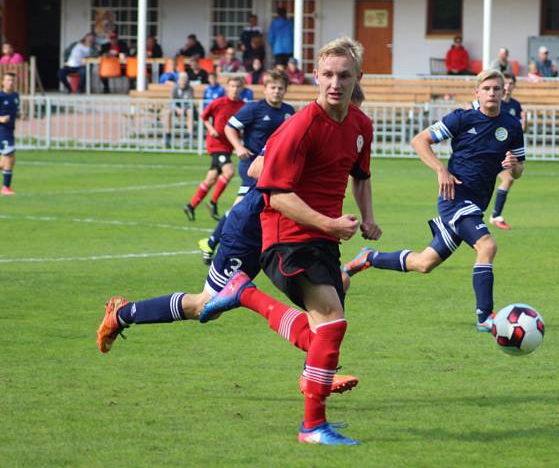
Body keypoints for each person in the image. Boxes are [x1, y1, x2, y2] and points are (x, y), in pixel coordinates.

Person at [200, 36, 379, 446]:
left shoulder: (360, 126)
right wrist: (330, 224)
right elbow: (275, 193)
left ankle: (244, 294)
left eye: (344, 75)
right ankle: (312, 427)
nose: (335, 83)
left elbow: (362, 176)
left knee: (323, 331)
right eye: (328, 75)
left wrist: (367, 217)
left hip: (321, 239)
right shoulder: (299, 126)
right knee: (332, 320)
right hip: (286, 236)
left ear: (357, 78)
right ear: (316, 76)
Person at [95, 159, 360, 395]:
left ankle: (315, 373)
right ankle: (122, 314)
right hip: (250, 232)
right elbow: (257, 167)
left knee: (332, 291)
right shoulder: (300, 129)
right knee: (204, 306)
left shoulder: (345, 134)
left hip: (286, 232)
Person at [344, 69, 525, 332]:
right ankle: (485, 317)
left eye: (497, 89)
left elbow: (519, 171)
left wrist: (514, 165)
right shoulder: (462, 118)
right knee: (487, 246)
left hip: (476, 205)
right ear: (477, 92)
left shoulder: (511, 126)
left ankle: (368, 258)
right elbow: (420, 141)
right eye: (486, 89)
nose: (492, 93)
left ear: (503, 92)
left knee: (424, 263)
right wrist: (441, 170)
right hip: (455, 199)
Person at [199, 70, 294, 263]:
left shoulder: (288, 111)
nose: (276, 91)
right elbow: (229, 127)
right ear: (265, 89)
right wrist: (239, 147)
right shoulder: (254, 109)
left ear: (285, 90)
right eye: (273, 87)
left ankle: (212, 242)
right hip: (253, 166)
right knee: (244, 208)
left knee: (248, 208)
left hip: (275, 168)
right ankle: (214, 242)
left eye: (280, 88)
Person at [183, 77, 245, 221]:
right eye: (232, 86)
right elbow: (203, 116)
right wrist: (211, 129)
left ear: (241, 88)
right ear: (227, 88)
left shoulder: (242, 106)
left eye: (237, 86)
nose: (235, 89)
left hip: (228, 146)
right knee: (229, 172)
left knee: (211, 179)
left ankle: (191, 206)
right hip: (216, 145)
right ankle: (213, 202)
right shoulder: (218, 103)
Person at [489, 72, 526, 231]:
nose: (508, 86)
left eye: (511, 83)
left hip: (506, 152)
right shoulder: (494, 104)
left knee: (509, 179)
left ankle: (496, 215)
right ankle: (493, 215)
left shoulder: (516, 106)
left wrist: (526, 123)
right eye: (506, 83)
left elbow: (519, 130)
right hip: (492, 151)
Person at [0, 73, 20, 195]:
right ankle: (6, 187)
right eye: (8, 80)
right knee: (9, 157)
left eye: (12, 80)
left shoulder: (15, 95)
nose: (10, 83)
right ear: (2, 82)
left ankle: (6, 187)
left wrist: (19, 114)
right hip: (2, 130)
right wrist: (1, 119)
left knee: (7, 161)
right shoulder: (0, 96)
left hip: (10, 130)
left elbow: (14, 111)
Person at [164, 72, 194, 149]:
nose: (182, 81)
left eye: (184, 79)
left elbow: (190, 102)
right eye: (181, 79)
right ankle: (168, 135)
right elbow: (172, 101)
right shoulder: (175, 88)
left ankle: (189, 135)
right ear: (178, 80)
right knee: (167, 112)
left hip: (186, 108)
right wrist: (177, 109)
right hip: (176, 108)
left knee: (190, 112)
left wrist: (183, 109)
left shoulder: (190, 89)